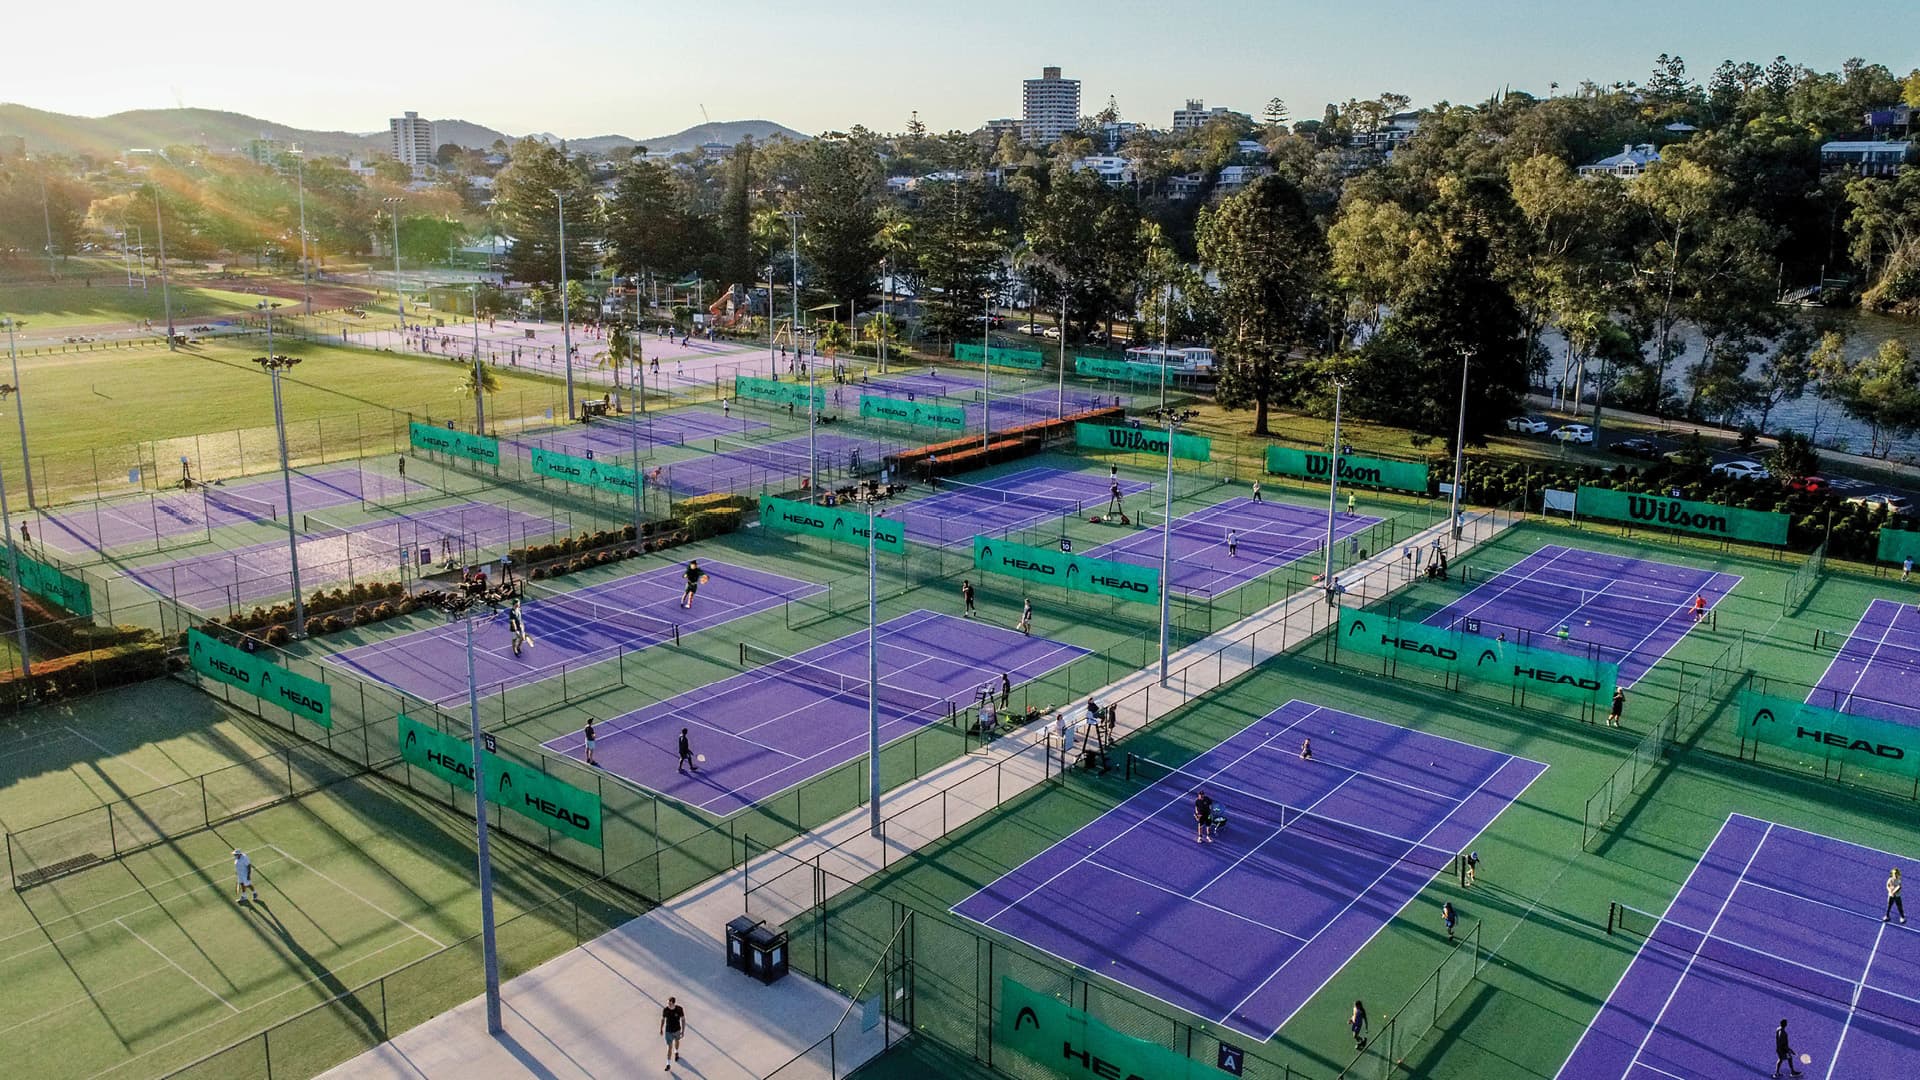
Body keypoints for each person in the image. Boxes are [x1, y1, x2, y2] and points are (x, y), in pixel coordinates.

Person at [661, 995, 687, 1071]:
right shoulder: (665, 1010)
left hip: (677, 1030)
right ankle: (668, 1064)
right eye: (668, 1003)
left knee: (677, 1041)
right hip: (668, 1031)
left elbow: (683, 1020)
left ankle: (676, 1052)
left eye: (670, 1003)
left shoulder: (679, 1009)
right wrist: (661, 1028)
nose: (668, 1005)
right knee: (669, 1047)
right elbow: (663, 1019)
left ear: (673, 1003)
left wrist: (683, 1030)